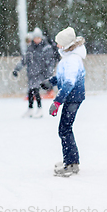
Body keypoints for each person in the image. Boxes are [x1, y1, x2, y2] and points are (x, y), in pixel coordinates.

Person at [41, 27, 86, 177]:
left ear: (66, 45)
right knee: (65, 129)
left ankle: (71, 164)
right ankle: (71, 160)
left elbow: (68, 83)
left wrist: (57, 102)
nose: (57, 45)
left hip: (73, 98)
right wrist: (51, 81)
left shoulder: (73, 60)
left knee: (64, 129)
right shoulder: (69, 57)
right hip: (71, 97)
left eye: (59, 43)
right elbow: (63, 77)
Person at [12, 27, 55, 118]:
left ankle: (39, 109)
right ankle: (30, 109)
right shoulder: (30, 48)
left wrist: (48, 74)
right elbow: (24, 60)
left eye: (38, 38)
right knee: (30, 91)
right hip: (31, 73)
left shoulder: (46, 47)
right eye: (35, 38)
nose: (37, 40)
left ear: (41, 38)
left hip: (40, 73)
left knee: (35, 90)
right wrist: (17, 69)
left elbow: (50, 61)